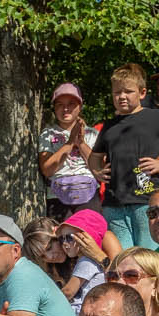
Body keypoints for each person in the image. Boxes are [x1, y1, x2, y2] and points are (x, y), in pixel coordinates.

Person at [88, 63, 159, 249]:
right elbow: (95, 156)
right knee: (123, 259)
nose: (122, 97)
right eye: (117, 93)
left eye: (128, 91)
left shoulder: (155, 117)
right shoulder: (110, 125)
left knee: (149, 255)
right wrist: (97, 171)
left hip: (147, 201)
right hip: (114, 203)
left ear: (142, 93)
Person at [39, 81, 101, 216]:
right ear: (54, 108)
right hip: (58, 198)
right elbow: (47, 169)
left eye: (71, 104)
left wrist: (81, 143)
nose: (65, 109)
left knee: (88, 235)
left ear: (80, 106)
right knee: (61, 236)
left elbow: (99, 170)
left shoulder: (92, 134)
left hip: (89, 196)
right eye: (60, 105)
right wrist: (70, 143)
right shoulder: (47, 134)